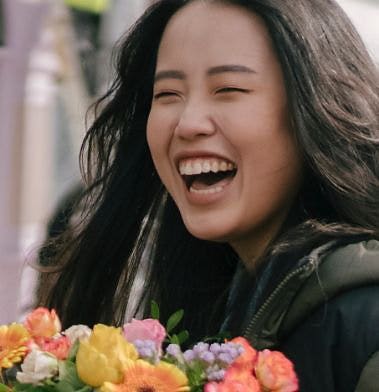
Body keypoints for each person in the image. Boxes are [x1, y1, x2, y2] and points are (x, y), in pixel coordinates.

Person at [37, 0, 379, 390]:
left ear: (316, 108)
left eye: (229, 89)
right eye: (167, 94)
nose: (188, 123)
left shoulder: (365, 323)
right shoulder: (217, 306)